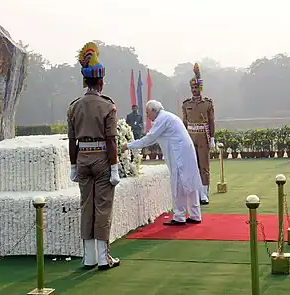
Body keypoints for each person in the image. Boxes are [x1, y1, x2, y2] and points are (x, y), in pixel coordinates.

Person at [67, 41, 121, 270]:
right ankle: (103, 257)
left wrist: (72, 165)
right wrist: (115, 167)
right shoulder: (107, 106)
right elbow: (111, 140)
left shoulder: (74, 106)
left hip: (81, 159)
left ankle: (88, 257)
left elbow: (72, 140)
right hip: (101, 158)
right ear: (100, 81)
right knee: (103, 206)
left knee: (86, 205)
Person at [122, 100, 203, 225]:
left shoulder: (162, 119)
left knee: (178, 183)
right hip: (184, 151)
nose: (147, 116)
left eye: (148, 113)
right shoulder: (168, 117)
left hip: (179, 154)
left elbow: (149, 139)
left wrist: (128, 145)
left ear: (154, 111)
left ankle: (179, 216)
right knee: (189, 182)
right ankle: (195, 214)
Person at [182, 63, 215, 205]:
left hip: (203, 136)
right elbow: (184, 123)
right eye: (192, 88)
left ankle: (204, 194)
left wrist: (212, 137)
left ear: (200, 89)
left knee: (204, 166)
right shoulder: (186, 104)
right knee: (192, 165)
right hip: (190, 136)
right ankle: (194, 193)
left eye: (196, 88)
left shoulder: (207, 103)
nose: (194, 90)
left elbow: (211, 121)